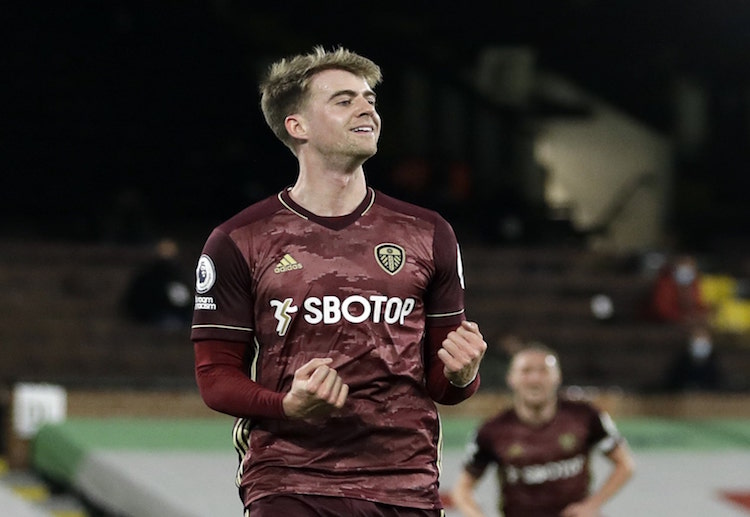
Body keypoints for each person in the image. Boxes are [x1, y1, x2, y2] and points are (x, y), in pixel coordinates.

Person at [191, 46, 487, 517]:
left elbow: (441, 387)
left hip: (403, 484)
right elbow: (214, 379)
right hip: (290, 481)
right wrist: (287, 404)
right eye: (344, 100)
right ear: (297, 126)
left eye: (369, 98)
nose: (367, 107)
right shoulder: (239, 239)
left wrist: (463, 374)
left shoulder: (429, 233)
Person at [451, 343, 634, 517]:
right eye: (526, 371)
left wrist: (593, 505)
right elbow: (462, 490)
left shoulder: (585, 416)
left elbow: (625, 465)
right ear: (511, 378)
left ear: (558, 376)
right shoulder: (492, 430)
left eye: (543, 371)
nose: (535, 379)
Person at [121, 237, 193, 330]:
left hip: (177, 316)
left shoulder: (178, 277)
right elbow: (136, 302)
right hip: (153, 318)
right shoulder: (147, 277)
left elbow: (184, 301)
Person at [645, 254, 711, 326]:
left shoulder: (694, 284)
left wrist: (703, 313)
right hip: (666, 323)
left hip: (686, 321)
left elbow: (697, 303)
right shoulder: (665, 283)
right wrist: (682, 317)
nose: (686, 272)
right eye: (683, 268)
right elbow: (661, 310)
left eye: (690, 268)